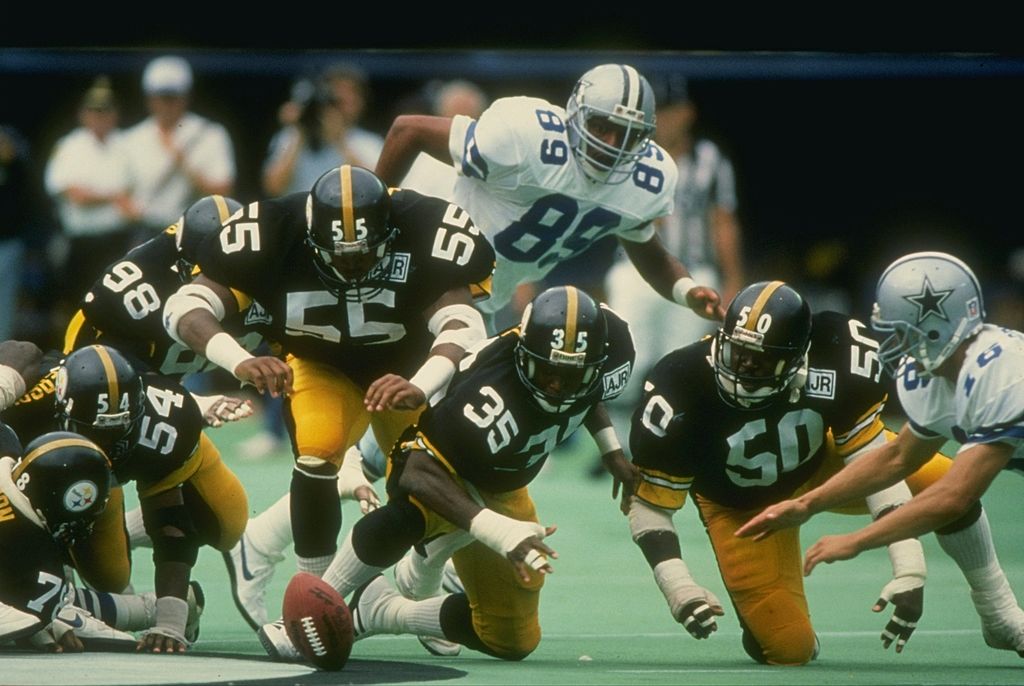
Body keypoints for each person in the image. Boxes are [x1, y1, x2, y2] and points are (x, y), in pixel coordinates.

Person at [161, 165, 495, 624]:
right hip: (322, 364)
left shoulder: (424, 224)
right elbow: (184, 306)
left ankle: (421, 580)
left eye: (364, 255)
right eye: (338, 255)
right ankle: (313, 595)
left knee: (429, 484)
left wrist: (420, 382)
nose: (351, 266)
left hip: (406, 371)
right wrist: (240, 359)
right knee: (317, 455)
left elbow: (464, 323)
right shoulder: (272, 229)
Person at [255, 285, 638, 662]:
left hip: (505, 486)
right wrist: (499, 530)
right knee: (412, 511)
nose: (559, 386)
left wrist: (611, 448)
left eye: (574, 374)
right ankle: (304, 613)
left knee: (511, 639)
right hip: (445, 465)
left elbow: (588, 394)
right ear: (525, 354)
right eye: (549, 372)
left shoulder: (607, 348)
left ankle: (382, 613)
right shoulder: (486, 396)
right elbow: (418, 473)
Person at [737, 251, 1024, 657]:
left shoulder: (1001, 376)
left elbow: (953, 497)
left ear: (937, 328)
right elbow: (898, 458)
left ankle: (1000, 614)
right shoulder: (938, 376)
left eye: (901, 332)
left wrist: (857, 540)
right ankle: (1001, 617)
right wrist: (807, 504)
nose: (892, 345)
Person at [374, 62, 724, 332]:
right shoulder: (523, 136)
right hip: (431, 280)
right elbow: (409, 130)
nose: (611, 146)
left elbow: (648, 250)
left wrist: (686, 291)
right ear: (575, 115)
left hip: (486, 302)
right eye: (602, 127)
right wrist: (369, 214)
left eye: (627, 135)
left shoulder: (648, 180)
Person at [1, 344, 247, 654]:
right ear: (60, 410)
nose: (107, 444)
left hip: (128, 459)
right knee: (109, 576)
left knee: (223, 524)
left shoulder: (163, 424)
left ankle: (61, 595)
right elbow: (21, 349)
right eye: (97, 434)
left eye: (118, 431)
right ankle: (61, 592)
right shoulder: (30, 406)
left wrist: (171, 621)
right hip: (68, 483)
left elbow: (170, 518)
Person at [603, 76, 744, 452]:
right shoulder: (632, 153)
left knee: (682, 360)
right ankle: (617, 443)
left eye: (671, 110)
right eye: (658, 113)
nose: (665, 119)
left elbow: (723, 221)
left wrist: (733, 278)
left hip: (695, 269)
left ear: (687, 112)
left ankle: (667, 443)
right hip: (636, 267)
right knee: (627, 355)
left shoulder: (710, 159)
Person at [62, 193, 258, 426]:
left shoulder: (271, 254)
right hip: (121, 358)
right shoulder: (140, 287)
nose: (226, 285)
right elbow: (109, 368)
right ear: (183, 261)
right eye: (211, 274)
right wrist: (187, 402)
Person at [44, 76, 139, 315]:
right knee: (75, 304)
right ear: (83, 114)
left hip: (118, 240)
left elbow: (136, 192)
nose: (100, 117)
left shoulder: (127, 145)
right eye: (94, 111)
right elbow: (76, 196)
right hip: (81, 243)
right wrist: (114, 198)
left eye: (106, 111)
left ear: (115, 114)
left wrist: (110, 197)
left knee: (115, 305)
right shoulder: (69, 146)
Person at [123, 55, 236, 245]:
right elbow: (118, 191)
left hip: (195, 230)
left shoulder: (210, 134)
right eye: (161, 97)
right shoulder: (132, 138)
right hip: (146, 230)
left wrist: (181, 159)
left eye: (173, 97)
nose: (167, 104)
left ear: (186, 97)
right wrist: (133, 211)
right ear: (149, 98)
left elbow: (223, 191)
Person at [262, 63, 384, 197]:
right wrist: (300, 131)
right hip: (300, 213)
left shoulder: (369, 142)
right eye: (334, 99)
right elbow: (272, 188)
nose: (339, 105)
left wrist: (339, 140)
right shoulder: (290, 136)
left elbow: (375, 187)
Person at [0, 125, 35, 341]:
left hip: (9, 242)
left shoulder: (16, 163)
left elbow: (28, 189)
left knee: (5, 302)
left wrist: (11, 159)